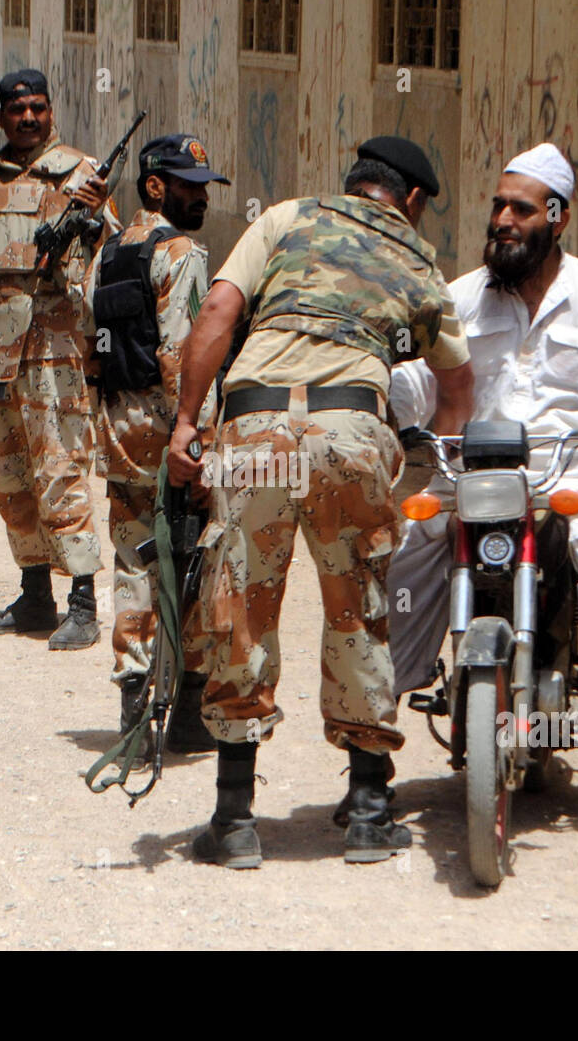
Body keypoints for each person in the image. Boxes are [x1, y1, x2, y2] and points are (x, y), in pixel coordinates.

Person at [166, 136, 474, 869]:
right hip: (349, 430)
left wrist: (185, 420)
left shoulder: (285, 217)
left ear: (353, 183)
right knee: (358, 606)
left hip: (254, 423)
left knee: (240, 605)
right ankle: (369, 810)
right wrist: (435, 472)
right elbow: (458, 389)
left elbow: (215, 311)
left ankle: (235, 820)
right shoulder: (417, 259)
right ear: (413, 200)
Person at [386, 142, 578, 838]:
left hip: (571, 475)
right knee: (400, 578)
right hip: (469, 472)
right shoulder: (460, 296)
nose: (502, 219)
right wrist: (394, 405)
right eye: (497, 205)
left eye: (520, 209)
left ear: (556, 217)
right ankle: (371, 770)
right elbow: (417, 377)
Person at [0, 69, 114, 650]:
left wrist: (99, 216)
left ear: (51, 109)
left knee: (60, 468)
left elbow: (109, 257)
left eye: (38, 108)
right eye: (18, 110)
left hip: (54, 349)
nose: (29, 119)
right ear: (2, 117)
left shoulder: (82, 174)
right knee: (10, 475)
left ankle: (83, 600)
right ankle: (35, 592)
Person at [84, 134, 228, 755]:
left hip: (120, 430)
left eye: (203, 185)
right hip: (175, 432)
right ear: (154, 186)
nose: (200, 196)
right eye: (188, 185)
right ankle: (191, 709)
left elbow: (90, 351)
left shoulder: (108, 253)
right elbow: (183, 354)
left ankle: (133, 706)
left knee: (133, 563)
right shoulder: (184, 255)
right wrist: (190, 437)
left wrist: (108, 423)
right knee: (197, 561)